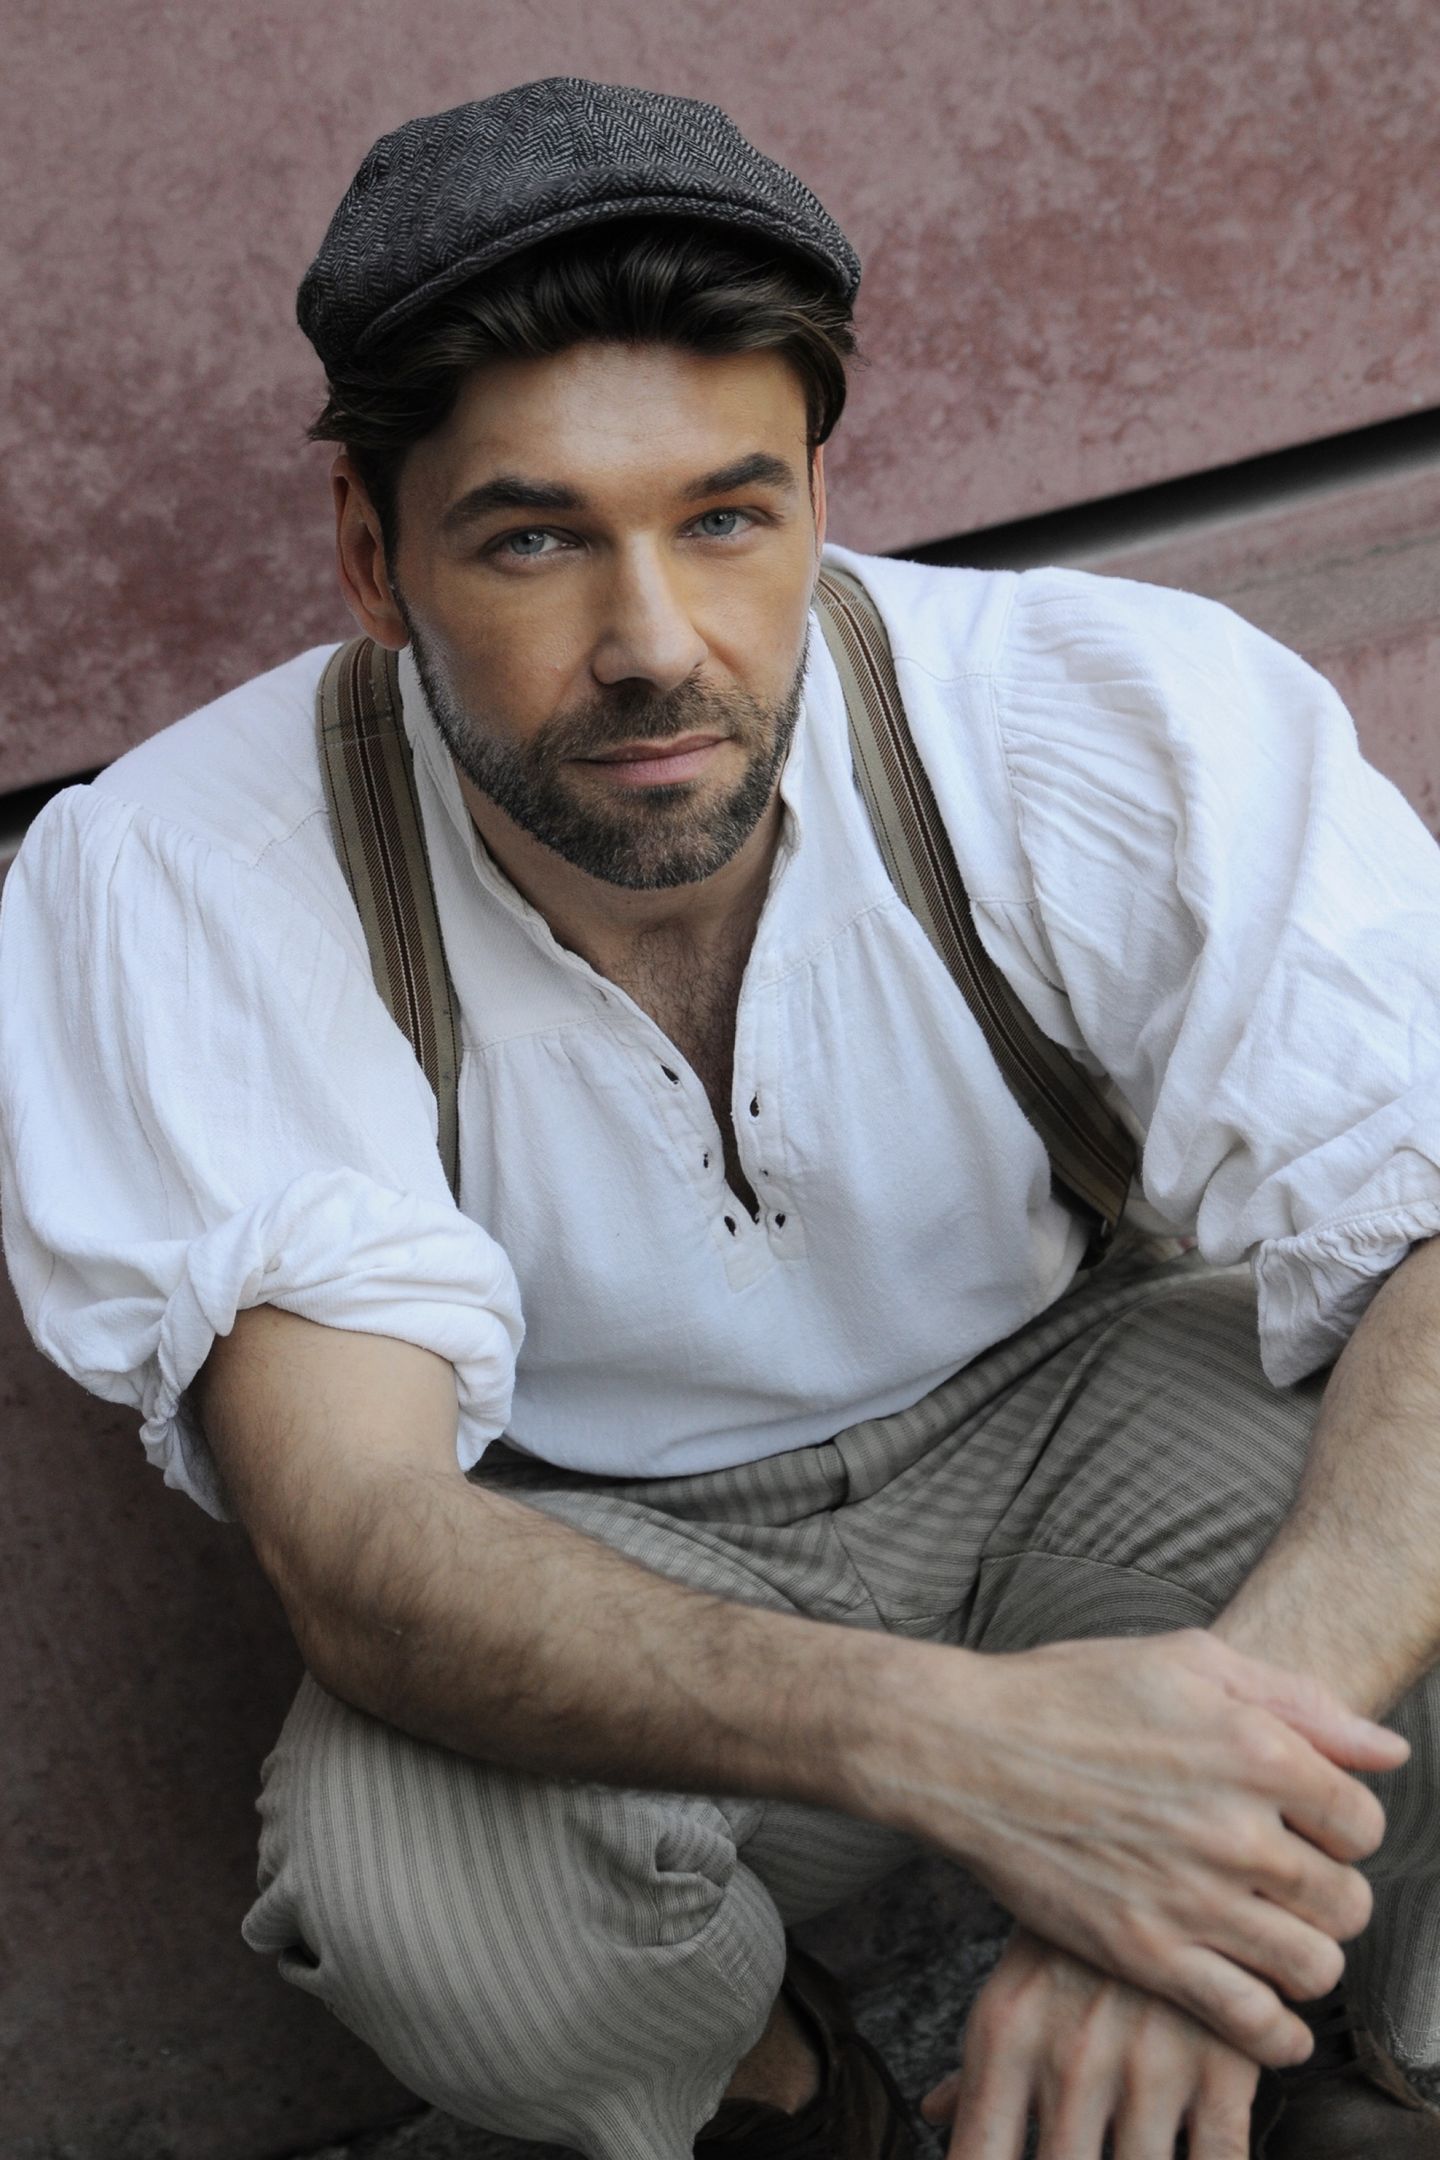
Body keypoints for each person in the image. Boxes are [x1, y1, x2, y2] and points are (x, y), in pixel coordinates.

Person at [3, 74, 1440, 2160]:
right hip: (612, 1552)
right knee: (408, 1875)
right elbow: (364, 1544)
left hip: (1095, 1444)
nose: (654, 645)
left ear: (818, 497)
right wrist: (973, 1748)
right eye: (534, 539)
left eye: (725, 518)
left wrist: (1196, 1854)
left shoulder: (1091, 711)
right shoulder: (188, 870)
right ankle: (803, 2106)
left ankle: (1341, 2064)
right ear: (373, 556)